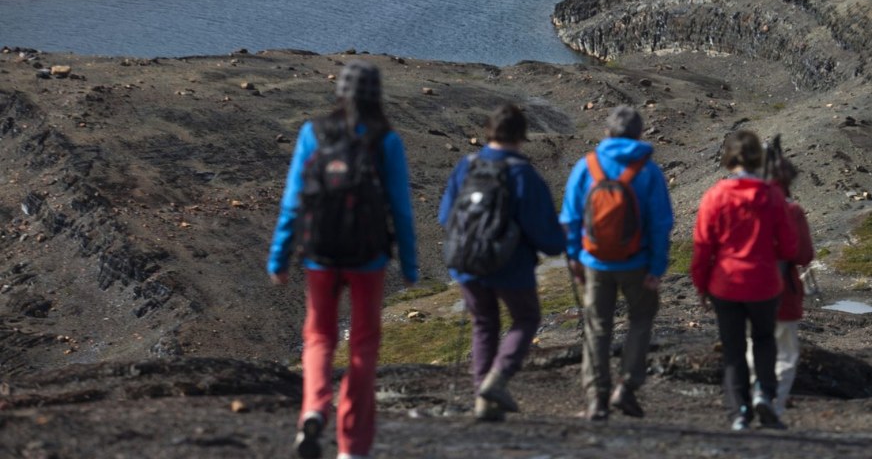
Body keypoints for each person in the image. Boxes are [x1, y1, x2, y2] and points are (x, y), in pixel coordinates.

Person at [268, 60, 419, 459]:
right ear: (375, 95)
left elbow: (293, 202)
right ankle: (351, 445)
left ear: (340, 92)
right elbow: (401, 210)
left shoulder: (312, 133)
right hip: (368, 258)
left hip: (319, 254)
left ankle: (314, 410)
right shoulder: (386, 140)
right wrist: (409, 265)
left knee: (318, 337)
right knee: (363, 346)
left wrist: (279, 258)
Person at [439, 103, 566, 422]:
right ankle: (497, 380)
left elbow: (445, 216)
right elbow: (547, 239)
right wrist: (563, 240)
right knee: (525, 318)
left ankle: (484, 395)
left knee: (484, 324)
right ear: (522, 135)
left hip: (467, 263)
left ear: (489, 131)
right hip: (510, 267)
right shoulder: (524, 175)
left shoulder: (467, 166)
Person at [560, 105, 675, 420]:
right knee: (641, 320)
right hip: (637, 264)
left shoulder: (587, 166)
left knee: (597, 328)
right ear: (639, 134)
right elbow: (661, 224)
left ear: (607, 133)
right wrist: (656, 268)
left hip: (595, 263)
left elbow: (569, 219)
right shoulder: (648, 170)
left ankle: (597, 398)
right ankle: (626, 387)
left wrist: (574, 260)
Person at [691, 130, 798, 431]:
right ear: (757, 158)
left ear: (729, 158)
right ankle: (764, 393)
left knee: (733, 348)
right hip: (764, 283)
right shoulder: (772, 196)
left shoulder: (715, 196)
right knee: (764, 340)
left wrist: (701, 286)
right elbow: (789, 246)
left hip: (725, 285)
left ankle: (739, 410)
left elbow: (702, 248)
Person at [747, 154, 813, 418]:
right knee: (785, 353)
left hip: (748, 289)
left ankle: (756, 395)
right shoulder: (792, 210)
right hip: (783, 291)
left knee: (754, 345)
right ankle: (774, 405)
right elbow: (804, 255)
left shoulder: (745, 208)